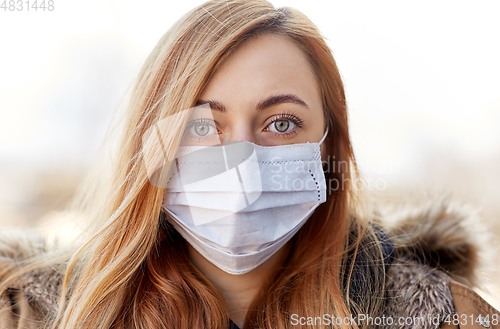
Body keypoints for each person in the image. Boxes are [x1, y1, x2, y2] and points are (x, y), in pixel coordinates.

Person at [0, 1, 498, 328]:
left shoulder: (444, 316)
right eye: (201, 126)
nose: (240, 164)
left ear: (328, 148)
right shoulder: (31, 312)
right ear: (151, 147)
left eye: (281, 123)